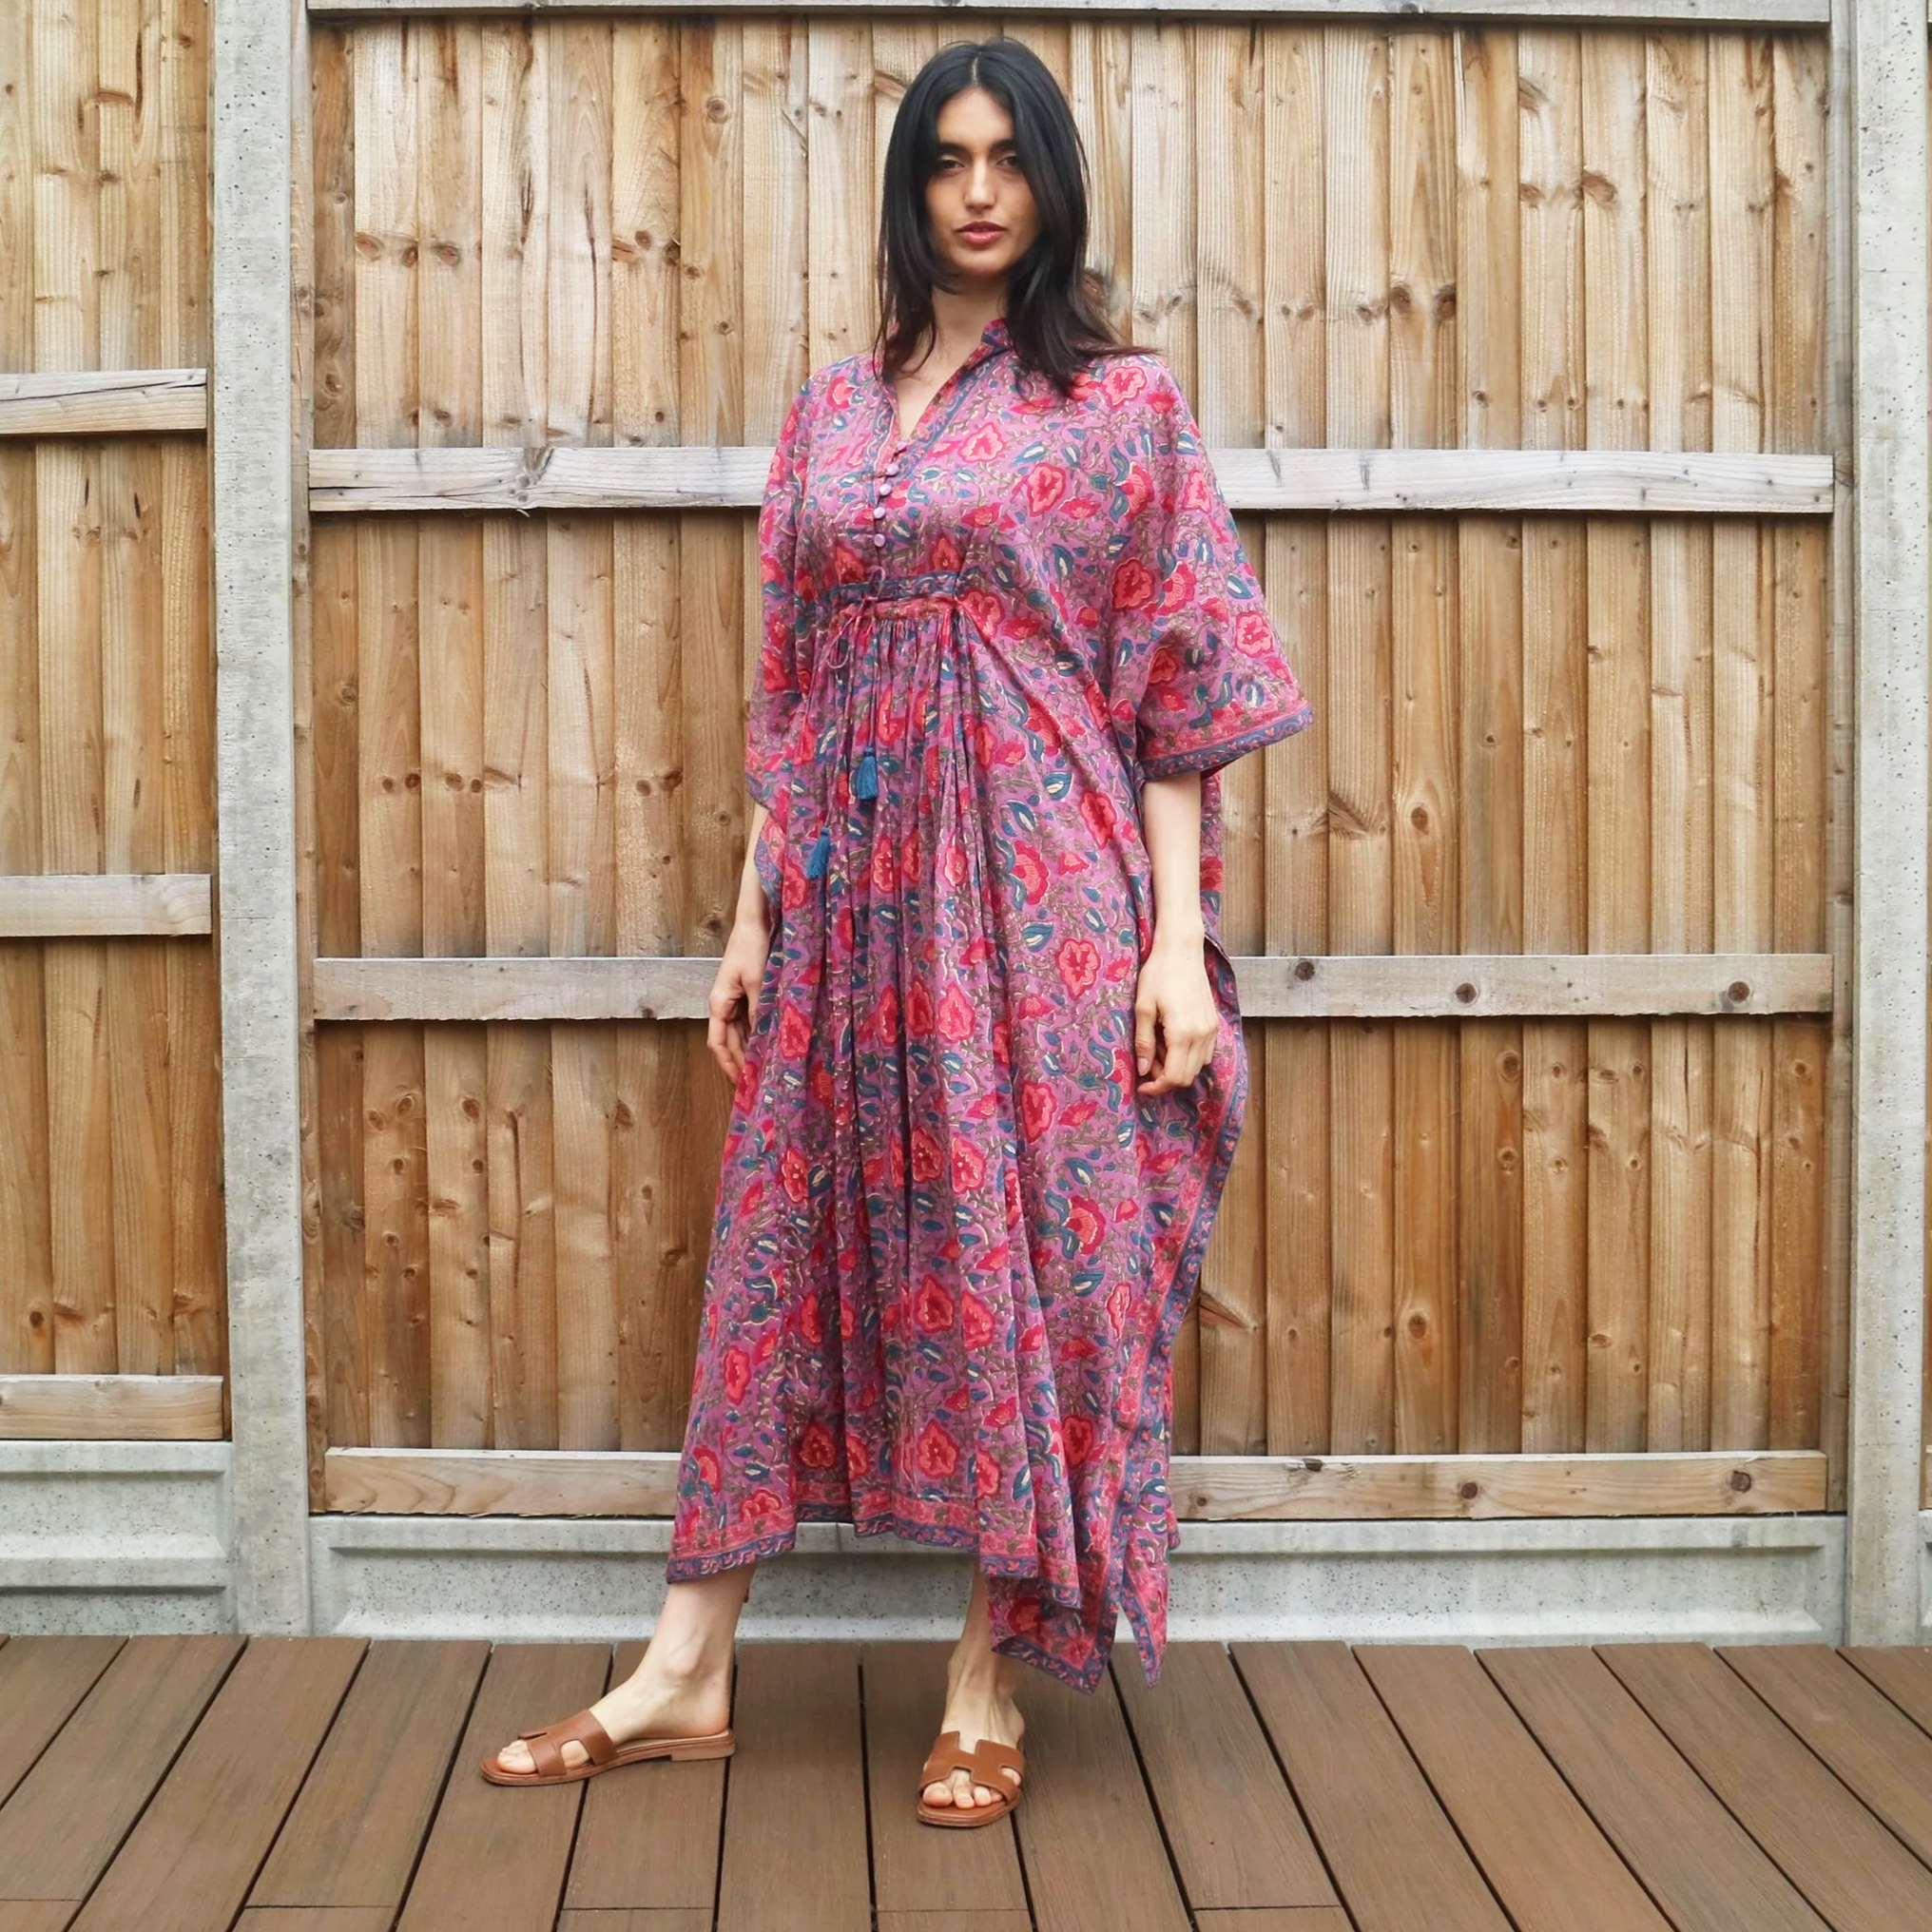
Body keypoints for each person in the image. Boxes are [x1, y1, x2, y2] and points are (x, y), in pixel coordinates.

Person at [481, 35, 1312, 1826]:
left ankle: (984, 1675)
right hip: (850, 901)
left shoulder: (1121, 408)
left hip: (1043, 892)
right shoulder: (831, 415)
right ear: (909, 186)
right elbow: (791, 687)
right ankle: (686, 1665)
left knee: (1036, 1258)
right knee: (775, 1251)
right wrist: (750, 919)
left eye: (1009, 157)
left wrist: (1176, 942)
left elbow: (1178, 688)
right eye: (947, 158)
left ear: (1051, 180)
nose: (980, 190)